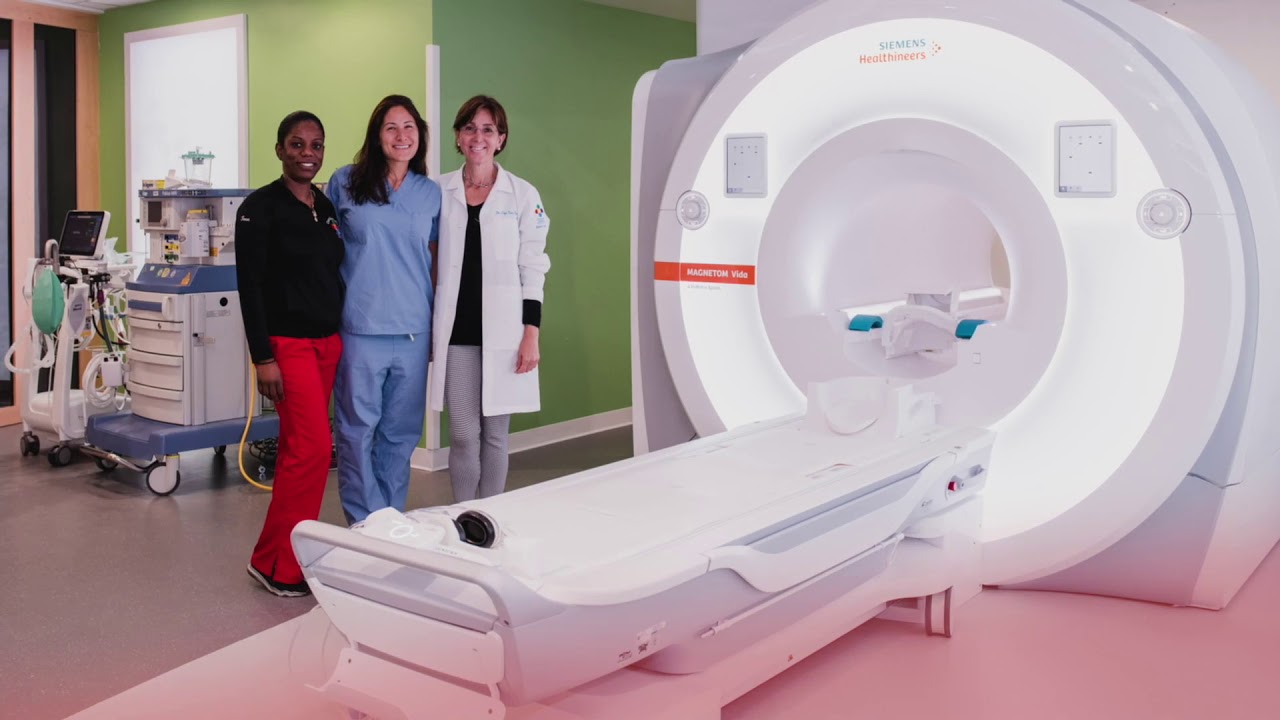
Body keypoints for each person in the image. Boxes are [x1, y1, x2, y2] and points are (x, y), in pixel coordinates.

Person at [235, 111, 345, 597]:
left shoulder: (323, 206)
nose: (307, 154)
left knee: (304, 452)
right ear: (279, 149)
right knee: (315, 449)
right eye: (297, 144)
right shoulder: (260, 208)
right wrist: (263, 357)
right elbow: (250, 286)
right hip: (288, 346)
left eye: (316, 145)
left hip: (328, 344)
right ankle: (283, 565)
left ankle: (272, 555)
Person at [429, 95, 551, 502]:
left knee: (496, 436)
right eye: (469, 128)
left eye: (488, 129)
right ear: (458, 137)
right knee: (463, 435)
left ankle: (492, 516)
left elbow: (533, 266)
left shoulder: (522, 194)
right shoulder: (438, 191)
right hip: (457, 332)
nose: (478, 137)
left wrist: (530, 333)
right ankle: (465, 517)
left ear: (501, 138)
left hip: (505, 332)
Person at [327, 95, 441, 525]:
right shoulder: (345, 182)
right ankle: (363, 521)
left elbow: (436, 261)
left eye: (409, 126)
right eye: (391, 127)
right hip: (360, 327)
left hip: (414, 329)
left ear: (420, 135)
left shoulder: (430, 194)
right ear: (377, 135)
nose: (401, 135)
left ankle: (390, 519)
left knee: (400, 435)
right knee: (356, 433)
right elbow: (325, 248)